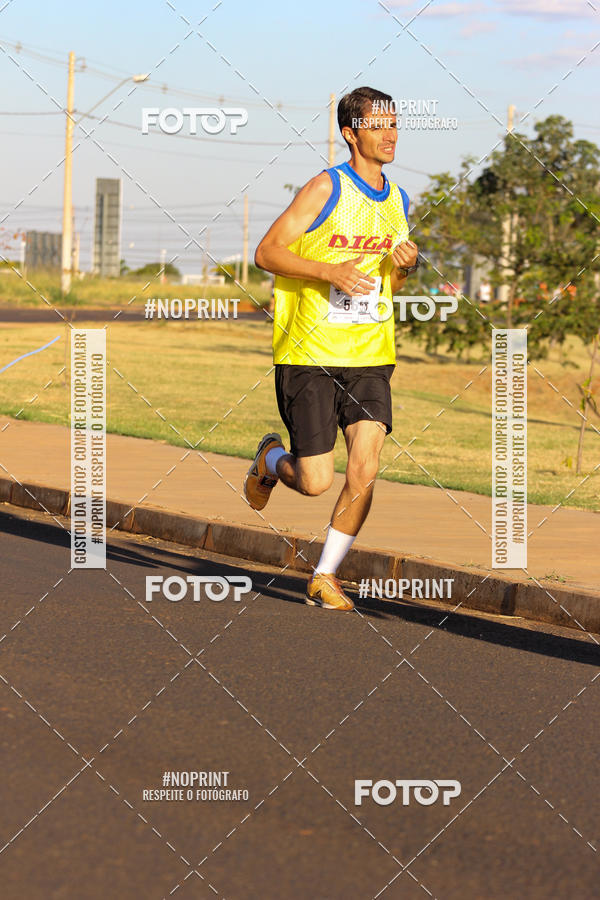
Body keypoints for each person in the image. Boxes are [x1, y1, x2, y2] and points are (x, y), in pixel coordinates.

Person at [245, 86, 419, 611]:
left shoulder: (399, 201)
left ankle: (325, 574)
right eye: (377, 125)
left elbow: (390, 285)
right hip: (309, 353)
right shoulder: (326, 188)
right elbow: (266, 251)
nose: (390, 135)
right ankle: (270, 460)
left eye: (394, 124)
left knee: (364, 468)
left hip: (369, 353)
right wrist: (328, 270)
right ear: (350, 133)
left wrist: (404, 268)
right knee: (317, 481)